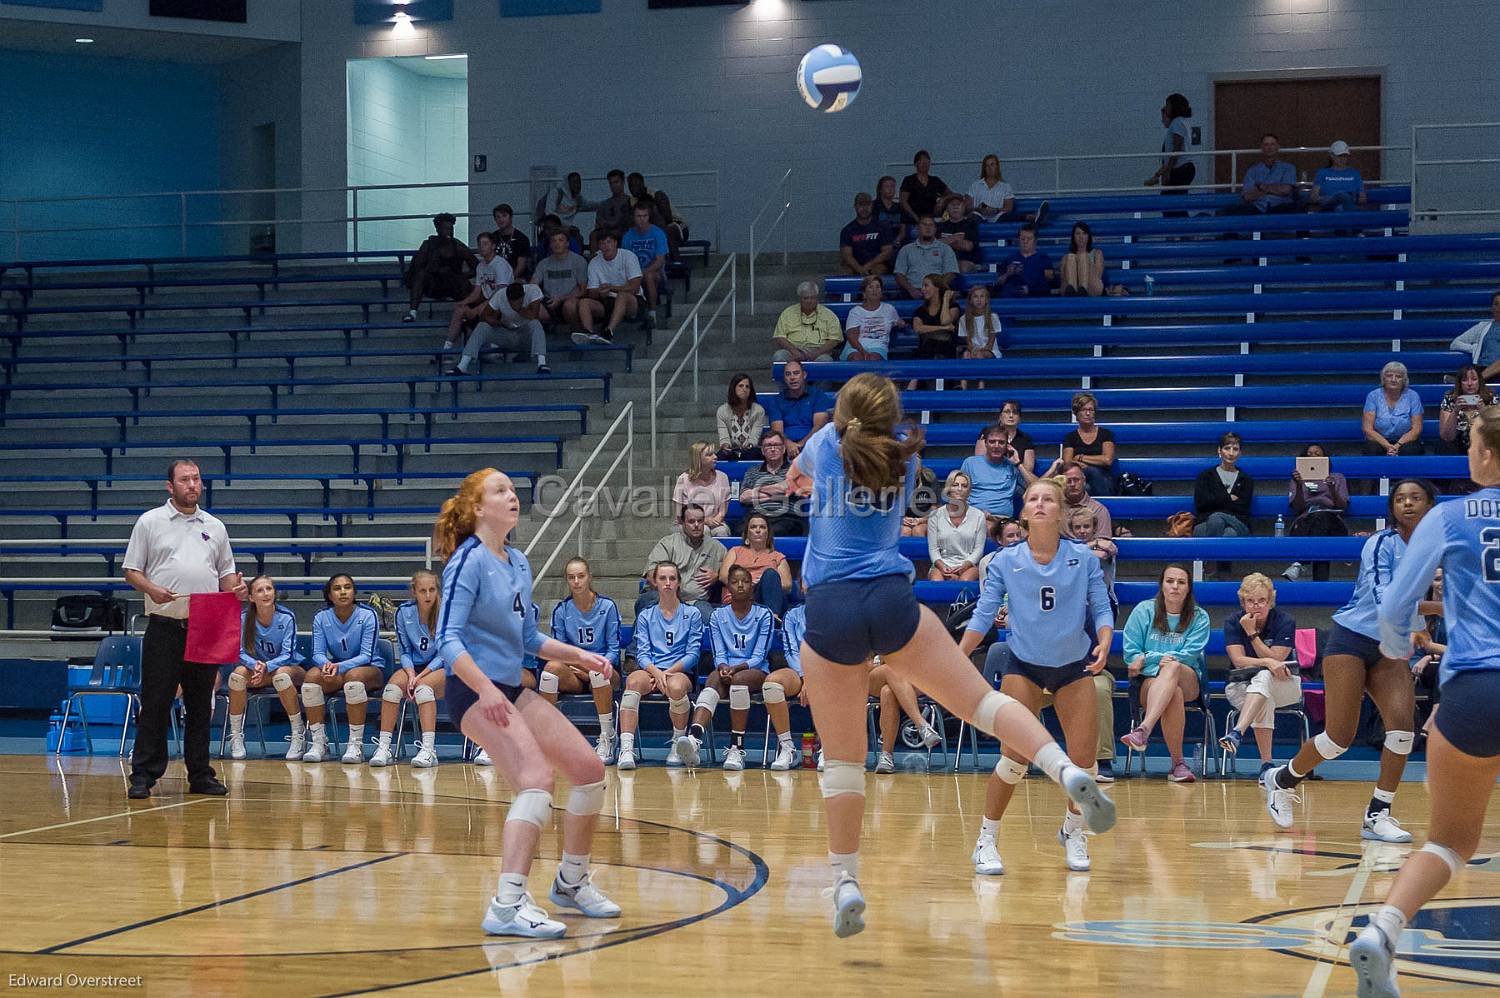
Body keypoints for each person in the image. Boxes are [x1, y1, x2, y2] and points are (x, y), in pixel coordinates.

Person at [787, 374, 1114, 935]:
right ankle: (1063, 768)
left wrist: (811, 468)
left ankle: (845, 880)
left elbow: (794, 479)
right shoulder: (903, 460)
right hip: (891, 598)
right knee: (982, 703)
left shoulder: (825, 447)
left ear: (843, 416)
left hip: (831, 605)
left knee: (843, 762)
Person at [1347, 410, 1500, 997]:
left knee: (1450, 842)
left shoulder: (1449, 515)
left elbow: (1394, 606)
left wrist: (1392, 648)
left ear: (1484, 456)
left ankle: (1384, 929)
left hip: (1471, 694)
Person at [432, 467, 620, 938]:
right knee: (536, 781)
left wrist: (581, 655)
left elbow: (527, 637)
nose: (512, 496)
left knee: (589, 771)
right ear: (478, 508)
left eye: (514, 490)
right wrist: (487, 689)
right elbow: (448, 640)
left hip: (511, 688)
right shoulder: (466, 561)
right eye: (500, 491)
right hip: (474, 692)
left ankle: (571, 882)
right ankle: (507, 905)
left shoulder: (517, 561)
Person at [1263, 478, 1440, 842]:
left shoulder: (1434, 550)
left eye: (1416, 498)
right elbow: (1387, 600)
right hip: (1351, 639)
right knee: (1339, 738)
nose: (1407, 503)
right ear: (1392, 508)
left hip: (1389, 646)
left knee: (1403, 729)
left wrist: (1420, 628)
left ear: (1429, 506)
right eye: (1400, 498)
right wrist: (1445, 607)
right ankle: (1281, 780)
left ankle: (1378, 814)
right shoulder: (1380, 543)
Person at [956, 477, 1117, 875]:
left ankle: (1074, 831)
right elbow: (983, 613)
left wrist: (1105, 637)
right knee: (1014, 759)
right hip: (1024, 664)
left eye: (1049, 499)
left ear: (1061, 511)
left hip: (1073, 664)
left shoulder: (1083, 559)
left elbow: (1100, 605)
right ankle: (986, 840)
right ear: (1024, 511)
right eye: (1033, 499)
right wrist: (958, 656)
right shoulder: (1004, 561)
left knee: (1084, 764)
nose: (1041, 504)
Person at [123, 459, 243, 799]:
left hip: (205, 624)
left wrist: (237, 589)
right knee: (157, 701)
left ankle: (200, 773)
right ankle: (144, 774)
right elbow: (131, 570)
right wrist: (151, 589)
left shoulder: (215, 526)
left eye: (196, 479)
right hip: (164, 624)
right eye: (185, 479)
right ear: (170, 486)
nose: (192, 485)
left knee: (200, 704)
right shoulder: (150, 522)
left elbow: (226, 575)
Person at [1119, 565, 1212, 782]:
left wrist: (1150, 658)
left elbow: (1188, 656)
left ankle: (1144, 730)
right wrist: (1155, 661)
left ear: (1188, 588)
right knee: (1173, 693)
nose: (1175, 587)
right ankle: (1177, 764)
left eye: (1181, 582)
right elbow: (1131, 655)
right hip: (1148, 682)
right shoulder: (1143, 610)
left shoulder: (1200, 617)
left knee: (1173, 667)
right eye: (1170, 581)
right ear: (1162, 584)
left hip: (1188, 677)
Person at [682, 566, 776, 771]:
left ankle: (737, 748)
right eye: (734, 581)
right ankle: (694, 738)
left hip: (754, 670)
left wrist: (736, 668)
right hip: (728, 670)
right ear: (727, 588)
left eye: (745, 581)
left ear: (752, 586)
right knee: (714, 679)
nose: (740, 585)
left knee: (739, 681)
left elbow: (759, 657)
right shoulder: (717, 616)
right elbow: (719, 653)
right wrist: (723, 666)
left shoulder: (764, 614)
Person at [618, 561, 706, 771]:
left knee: (675, 686)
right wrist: (656, 672)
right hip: (651, 670)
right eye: (663, 579)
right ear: (655, 582)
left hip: (679, 671)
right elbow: (642, 652)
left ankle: (677, 742)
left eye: (672, 579)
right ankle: (626, 748)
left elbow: (693, 654)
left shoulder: (692, 614)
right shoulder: (647, 615)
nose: (667, 583)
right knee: (633, 681)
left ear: (678, 582)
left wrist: (667, 673)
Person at [1218, 573, 1302, 779]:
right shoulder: (1232, 621)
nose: (1256, 606)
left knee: (1264, 678)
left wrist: (1252, 635)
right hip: (1240, 687)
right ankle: (1266, 766)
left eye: (1262, 601)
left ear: (1270, 601)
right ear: (1243, 602)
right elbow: (1238, 660)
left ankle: (1238, 732)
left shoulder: (1285, 620)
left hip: (1285, 684)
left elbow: (1278, 661)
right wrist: (1266, 661)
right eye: (1251, 601)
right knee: (1263, 689)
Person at [541, 558, 622, 764]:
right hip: (575, 672)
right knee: (550, 669)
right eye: (571, 577)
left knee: (597, 673)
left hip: (604, 670)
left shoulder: (607, 606)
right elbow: (560, 652)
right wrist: (579, 666)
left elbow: (613, 650)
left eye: (580, 576)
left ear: (589, 577)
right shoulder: (562, 610)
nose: (576, 581)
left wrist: (591, 666)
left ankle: (608, 737)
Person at [300, 573, 387, 764]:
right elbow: (317, 653)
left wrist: (337, 666)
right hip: (339, 669)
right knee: (311, 677)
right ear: (329, 595)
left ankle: (355, 745)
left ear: (354, 592)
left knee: (354, 678)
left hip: (369, 669)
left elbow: (367, 655)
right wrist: (326, 666)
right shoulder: (321, 617)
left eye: (347, 587)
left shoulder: (367, 614)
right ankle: (319, 743)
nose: (343, 592)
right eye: (337, 588)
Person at [368, 570, 446, 768]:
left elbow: (445, 652)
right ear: (414, 592)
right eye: (423, 591)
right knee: (392, 689)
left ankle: (429, 750)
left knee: (423, 690)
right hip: (414, 665)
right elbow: (404, 650)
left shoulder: (447, 612)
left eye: (432, 590)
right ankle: (385, 747)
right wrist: (411, 674)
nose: (428, 595)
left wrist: (421, 676)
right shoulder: (403, 612)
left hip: (444, 666)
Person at [1066, 505, 1121, 782]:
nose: (1082, 531)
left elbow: (1106, 550)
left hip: (1090, 667)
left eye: (1087, 527)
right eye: (1077, 528)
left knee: (1099, 688)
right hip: (1054, 669)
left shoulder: (1100, 604)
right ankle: (1018, 758)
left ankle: (1103, 760)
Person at [223, 575, 302, 762]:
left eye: (269, 589)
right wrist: (255, 665)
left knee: (281, 676)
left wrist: (266, 666)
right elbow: (238, 651)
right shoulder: (243, 618)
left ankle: (298, 733)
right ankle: (236, 735)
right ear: (251, 597)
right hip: (257, 669)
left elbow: (288, 654)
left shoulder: (287, 616)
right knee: (237, 676)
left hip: (287, 668)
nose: (266, 593)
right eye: (260, 590)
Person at [638, 505, 727, 621]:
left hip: (696, 602)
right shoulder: (668, 543)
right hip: (661, 596)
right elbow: (651, 575)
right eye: (691, 521)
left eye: (700, 521)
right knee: (649, 607)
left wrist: (718, 576)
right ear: (683, 523)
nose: (696, 525)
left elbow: (732, 574)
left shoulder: (717, 548)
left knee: (710, 618)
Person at [449, 281, 551, 376]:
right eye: (511, 302)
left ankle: (542, 364)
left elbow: (534, 315)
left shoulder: (533, 290)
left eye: (517, 301)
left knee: (535, 324)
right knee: (482, 326)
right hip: (507, 333)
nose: (513, 304)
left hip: (526, 335)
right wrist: (500, 323)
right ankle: (462, 366)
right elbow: (484, 316)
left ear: (523, 296)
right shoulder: (500, 295)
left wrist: (519, 309)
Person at [1284, 442, 1351, 582]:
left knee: (1323, 518)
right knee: (1321, 535)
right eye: (1309, 454)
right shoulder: (1297, 479)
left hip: (1334, 522)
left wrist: (1332, 488)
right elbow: (1298, 507)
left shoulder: (1337, 477)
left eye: (1317, 454)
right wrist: (1298, 484)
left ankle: (1301, 563)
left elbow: (1342, 506)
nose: (1313, 456)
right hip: (1306, 521)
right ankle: (1321, 585)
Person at [443, 231, 514, 350]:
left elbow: (500, 293)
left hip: (504, 304)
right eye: (480, 244)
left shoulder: (500, 264)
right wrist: (463, 303)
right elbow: (476, 292)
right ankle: (447, 348)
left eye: (485, 244)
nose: (482, 247)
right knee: (460, 310)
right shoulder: (481, 266)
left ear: (493, 246)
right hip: (489, 301)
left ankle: (490, 346)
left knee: (480, 313)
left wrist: (477, 309)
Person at [403, 213, 478, 323]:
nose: (449, 231)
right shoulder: (428, 245)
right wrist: (434, 267)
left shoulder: (458, 246)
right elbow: (416, 266)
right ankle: (413, 312)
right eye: (445, 228)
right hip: (433, 284)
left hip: (452, 284)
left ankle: (466, 314)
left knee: (463, 284)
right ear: (438, 229)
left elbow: (476, 267)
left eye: (451, 228)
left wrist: (460, 275)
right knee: (420, 275)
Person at [719, 512, 794, 615]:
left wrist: (765, 583)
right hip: (740, 594)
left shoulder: (777, 556)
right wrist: (748, 584)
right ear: (747, 533)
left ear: (768, 533)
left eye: (762, 527)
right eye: (753, 527)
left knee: (770, 574)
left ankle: (772, 618)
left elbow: (787, 585)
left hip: (765, 597)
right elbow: (723, 576)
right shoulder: (735, 551)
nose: (758, 530)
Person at [764, 603, 808, 770]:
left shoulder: (838, 612)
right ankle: (788, 748)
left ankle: (830, 749)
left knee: (834, 683)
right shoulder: (793, 615)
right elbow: (791, 651)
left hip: (827, 671)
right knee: (772, 684)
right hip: (799, 671)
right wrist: (805, 678)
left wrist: (816, 679)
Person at [961, 423, 1036, 519]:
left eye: (1001, 442)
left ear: (1007, 446)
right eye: (992, 442)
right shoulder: (970, 463)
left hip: (1002, 521)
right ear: (985, 444)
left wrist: (1018, 464)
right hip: (975, 517)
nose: (996, 446)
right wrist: (974, 513)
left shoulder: (1013, 466)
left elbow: (1036, 486)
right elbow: (958, 495)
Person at [580, 231, 642, 345]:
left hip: (632, 300)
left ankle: (609, 331)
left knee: (622, 296)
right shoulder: (594, 262)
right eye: (602, 243)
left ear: (615, 243)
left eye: (609, 242)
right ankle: (589, 333)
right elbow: (592, 292)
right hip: (606, 301)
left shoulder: (628, 256)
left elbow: (635, 287)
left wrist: (611, 288)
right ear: (599, 246)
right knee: (584, 303)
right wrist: (599, 293)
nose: (606, 246)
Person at [739, 431, 806, 537]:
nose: (773, 449)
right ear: (762, 450)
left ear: (784, 449)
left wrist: (756, 489)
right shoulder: (752, 472)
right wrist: (775, 494)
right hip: (756, 517)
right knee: (740, 530)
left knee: (776, 531)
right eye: (768, 446)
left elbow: (784, 489)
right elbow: (744, 497)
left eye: (776, 445)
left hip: (786, 517)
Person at [926, 470, 985, 582]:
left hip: (968, 564)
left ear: (969, 491)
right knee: (937, 581)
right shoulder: (935, 515)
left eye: (964, 486)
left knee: (965, 580)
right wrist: (942, 566)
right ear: (948, 489)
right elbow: (933, 549)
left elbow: (978, 549)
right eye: (955, 485)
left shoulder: (979, 516)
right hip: (942, 563)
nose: (959, 489)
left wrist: (965, 565)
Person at [765, 359, 832, 457]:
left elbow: (819, 426)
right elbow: (778, 430)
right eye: (788, 374)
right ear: (784, 378)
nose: (792, 377)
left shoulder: (818, 396)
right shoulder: (775, 400)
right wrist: (789, 444)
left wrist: (801, 444)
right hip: (785, 448)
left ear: (804, 375)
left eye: (796, 373)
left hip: (813, 444)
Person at [1194, 432, 1254, 539]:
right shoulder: (1205, 477)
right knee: (1223, 529)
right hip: (1206, 521)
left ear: (1240, 453)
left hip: (1237, 522)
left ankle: (1209, 555)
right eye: (1227, 448)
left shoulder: (1246, 480)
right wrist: (1228, 498)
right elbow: (1201, 504)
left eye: (1235, 449)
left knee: (1220, 521)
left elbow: (1242, 508)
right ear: (1219, 450)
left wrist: (1216, 501)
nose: (1231, 453)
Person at [1144, 93, 1195, 216]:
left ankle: (1184, 232)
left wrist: (1167, 172)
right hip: (1180, 167)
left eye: (1167, 105)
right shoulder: (1180, 122)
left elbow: (1176, 151)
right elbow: (1169, 157)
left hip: (1181, 168)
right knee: (1172, 202)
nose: (1166, 108)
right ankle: (1179, 231)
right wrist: (1158, 175)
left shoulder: (1177, 122)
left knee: (1174, 203)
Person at [1362, 361, 1426, 457]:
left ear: (1404, 380)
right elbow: (1368, 429)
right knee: (1372, 449)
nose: (1393, 379)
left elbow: (1416, 429)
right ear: (1383, 378)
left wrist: (1397, 445)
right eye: (1389, 376)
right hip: (1379, 440)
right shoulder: (1373, 396)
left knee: (1410, 451)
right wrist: (1387, 446)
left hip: (1406, 441)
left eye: (1398, 376)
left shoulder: (1413, 396)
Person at [533, 229, 588, 338]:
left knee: (570, 306)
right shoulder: (543, 264)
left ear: (567, 243)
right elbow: (532, 285)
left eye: (560, 240)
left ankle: (577, 332)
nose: (557, 243)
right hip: (548, 301)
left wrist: (561, 299)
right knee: (532, 307)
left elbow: (583, 290)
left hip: (569, 299)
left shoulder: (579, 261)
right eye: (553, 241)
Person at [771, 282, 843, 364]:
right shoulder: (787, 313)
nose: (809, 301)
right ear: (800, 298)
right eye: (806, 298)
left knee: (826, 361)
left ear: (817, 298)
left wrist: (816, 353)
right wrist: (794, 351)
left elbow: (834, 340)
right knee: (779, 356)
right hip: (793, 350)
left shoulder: (829, 315)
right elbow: (780, 337)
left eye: (812, 298)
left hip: (819, 352)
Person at [621, 203, 668, 327]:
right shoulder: (628, 236)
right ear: (633, 217)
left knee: (649, 276)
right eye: (638, 216)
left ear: (649, 217)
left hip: (655, 271)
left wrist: (643, 272)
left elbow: (660, 260)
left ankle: (652, 312)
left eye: (644, 216)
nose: (641, 219)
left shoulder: (658, 233)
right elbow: (625, 259)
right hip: (633, 272)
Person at [1062, 392, 1116, 497]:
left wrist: (1080, 458)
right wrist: (1089, 464)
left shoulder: (1106, 434)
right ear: (1076, 413)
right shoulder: (1070, 437)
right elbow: (1068, 463)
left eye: (1090, 410)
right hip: (1079, 479)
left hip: (1104, 480)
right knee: (1086, 487)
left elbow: (1107, 460)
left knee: (1092, 473)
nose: (1087, 413)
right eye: (1083, 410)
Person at [1230, 134, 1300, 214]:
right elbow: (1247, 196)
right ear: (1262, 148)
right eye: (1266, 144)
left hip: (1282, 207)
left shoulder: (1289, 168)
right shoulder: (1252, 171)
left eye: (1272, 144)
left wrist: (1261, 187)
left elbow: (1286, 190)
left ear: (1278, 147)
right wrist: (1273, 189)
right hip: (1257, 208)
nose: (1269, 148)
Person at [673, 442, 731, 537]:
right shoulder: (683, 479)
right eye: (709, 455)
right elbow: (679, 515)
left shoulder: (722, 477)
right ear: (698, 459)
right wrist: (703, 521)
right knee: (704, 531)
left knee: (722, 531)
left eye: (714, 453)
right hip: (689, 522)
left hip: (714, 522)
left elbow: (722, 511)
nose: (715, 457)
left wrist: (717, 519)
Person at [893, 216, 959, 299]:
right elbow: (899, 274)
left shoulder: (945, 249)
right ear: (917, 228)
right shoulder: (906, 250)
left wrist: (935, 288)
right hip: (912, 292)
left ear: (935, 229)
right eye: (924, 224)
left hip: (938, 291)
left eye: (931, 225)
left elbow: (951, 273)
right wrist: (911, 290)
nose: (928, 227)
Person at [1438, 362, 1497, 455]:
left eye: (1474, 379)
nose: (1469, 384)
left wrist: (1484, 412)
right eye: (1465, 380)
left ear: (1479, 381)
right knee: (1445, 446)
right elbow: (1447, 437)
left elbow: (1496, 433)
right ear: (1460, 383)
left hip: (1484, 442)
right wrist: (1455, 411)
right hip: (1458, 444)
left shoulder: (1491, 398)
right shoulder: (1450, 398)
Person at [842, 275, 904, 361]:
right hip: (855, 347)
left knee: (874, 359)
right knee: (856, 358)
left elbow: (898, 322)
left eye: (878, 287)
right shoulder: (855, 311)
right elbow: (852, 337)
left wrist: (901, 323)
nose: (875, 290)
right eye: (871, 287)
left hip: (878, 347)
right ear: (864, 293)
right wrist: (864, 353)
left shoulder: (889, 309)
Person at [909, 276, 959, 374]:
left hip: (947, 349)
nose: (922, 289)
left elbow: (945, 320)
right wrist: (943, 328)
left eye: (926, 285)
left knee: (939, 345)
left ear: (937, 287)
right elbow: (918, 328)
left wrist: (945, 300)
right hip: (925, 349)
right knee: (928, 346)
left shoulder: (953, 307)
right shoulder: (920, 310)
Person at [839, 192, 894, 277]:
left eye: (867, 204)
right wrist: (860, 269)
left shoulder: (883, 227)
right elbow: (847, 255)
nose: (864, 208)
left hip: (876, 264)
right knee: (844, 271)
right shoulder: (847, 230)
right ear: (855, 207)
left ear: (872, 206)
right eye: (861, 205)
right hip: (855, 266)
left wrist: (868, 265)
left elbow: (887, 252)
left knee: (879, 269)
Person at [1449, 290, 1500, 381]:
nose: (1499, 307)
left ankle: (1474, 381)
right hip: (1483, 368)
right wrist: (1474, 348)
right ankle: (1475, 380)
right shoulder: (1482, 326)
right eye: (1496, 304)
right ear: (1491, 308)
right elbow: (1455, 344)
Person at [974, 401, 1036, 476]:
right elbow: (979, 462)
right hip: (989, 476)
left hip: (1016, 479)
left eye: (1015, 413)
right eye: (1007, 412)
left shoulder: (1025, 438)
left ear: (1019, 418)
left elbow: (1028, 470)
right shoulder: (987, 432)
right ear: (1000, 416)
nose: (1011, 415)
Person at [716, 373, 767, 461]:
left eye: (747, 387)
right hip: (732, 450)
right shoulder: (722, 411)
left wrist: (749, 445)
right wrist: (726, 446)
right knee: (721, 455)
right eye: (741, 386)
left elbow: (754, 438)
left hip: (751, 449)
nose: (744, 389)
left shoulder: (758, 410)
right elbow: (724, 438)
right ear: (733, 388)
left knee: (753, 454)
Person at [995, 223, 1054, 298]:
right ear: (1018, 240)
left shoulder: (1043, 258)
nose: (1025, 241)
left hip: (1036, 297)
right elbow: (999, 282)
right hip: (1013, 296)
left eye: (1029, 239)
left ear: (1035, 241)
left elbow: (1049, 281)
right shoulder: (1010, 259)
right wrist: (1008, 273)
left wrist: (1030, 289)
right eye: (1022, 239)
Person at [1058, 462, 1113, 540]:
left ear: (1084, 481)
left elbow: (1103, 546)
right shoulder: (1055, 508)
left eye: (1076, 480)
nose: (1073, 484)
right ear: (1061, 483)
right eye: (1068, 481)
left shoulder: (1098, 510)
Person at [1310, 141, 1367, 212]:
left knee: (1342, 202)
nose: (1342, 159)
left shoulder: (1354, 173)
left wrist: (1356, 198)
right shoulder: (1322, 173)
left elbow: (1362, 197)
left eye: (1345, 156)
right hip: (1329, 205)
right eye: (1339, 156)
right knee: (1341, 197)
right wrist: (1329, 198)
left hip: (1348, 204)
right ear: (1332, 156)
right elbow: (1313, 197)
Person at [584, 169, 632, 252]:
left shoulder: (630, 201)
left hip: (624, 231)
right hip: (607, 231)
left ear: (623, 182)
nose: (613, 186)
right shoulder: (604, 204)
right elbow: (599, 221)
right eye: (611, 183)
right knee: (594, 235)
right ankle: (594, 260)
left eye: (616, 182)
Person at [899, 150, 950, 224]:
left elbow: (951, 194)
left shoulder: (935, 180)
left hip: (932, 219)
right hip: (913, 220)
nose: (924, 164)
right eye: (921, 162)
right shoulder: (909, 180)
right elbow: (903, 201)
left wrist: (943, 200)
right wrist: (916, 218)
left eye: (926, 162)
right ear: (916, 164)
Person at [957, 284, 1003, 362]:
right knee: (966, 355)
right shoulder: (963, 319)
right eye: (975, 297)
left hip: (990, 351)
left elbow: (990, 343)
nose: (979, 299)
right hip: (974, 350)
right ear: (970, 300)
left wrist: (980, 350)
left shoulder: (993, 317)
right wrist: (973, 350)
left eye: (982, 296)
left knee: (979, 355)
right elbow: (969, 342)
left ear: (986, 300)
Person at [1060, 222, 1105, 297]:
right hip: (1072, 286)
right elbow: (1063, 279)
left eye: (1084, 233)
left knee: (1083, 257)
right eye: (1078, 233)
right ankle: (1073, 291)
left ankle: (1083, 290)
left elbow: (1098, 275)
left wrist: (1083, 264)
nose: (1081, 237)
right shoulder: (1066, 257)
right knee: (1071, 257)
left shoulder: (1097, 253)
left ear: (1088, 236)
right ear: (1073, 237)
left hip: (1091, 286)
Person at [936, 195, 980, 273]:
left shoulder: (970, 224)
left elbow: (967, 246)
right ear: (946, 208)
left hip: (965, 260)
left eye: (958, 204)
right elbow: (932, 244)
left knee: (962, 267)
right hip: (942, 260)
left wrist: (944, 241)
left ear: (964, 207)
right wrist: (955, 239)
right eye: (952, 204)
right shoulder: (939, 226)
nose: (955, 207)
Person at [967, 154, 1017, 222]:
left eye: (992, 164)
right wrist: (978, 209)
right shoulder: (975, 185)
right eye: (987, 166)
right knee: (971, 218)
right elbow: (968, 206)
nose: (990, 168)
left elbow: (1008, 207)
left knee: (1007, 216)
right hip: (979, 216)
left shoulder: (1006, 187)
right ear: (984, 168)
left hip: (998, 216)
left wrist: (995, 210)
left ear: (997, 166)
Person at [489, 203, 532, 278]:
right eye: (498, 217)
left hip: (516, 279)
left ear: (511, 217)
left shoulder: (521, 238)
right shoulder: (493, 237)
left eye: (504, 216)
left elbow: (521, 265)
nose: (501, 219)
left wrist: (510, 280)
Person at [872, 175, 905, 245]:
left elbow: (903, 230)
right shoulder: (873, 206)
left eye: (892, 186)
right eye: (887, 186)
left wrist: (897, 240)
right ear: (880, 189)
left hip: (896, 242)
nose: (890, 189)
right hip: (878, 242)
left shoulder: (899, 207)